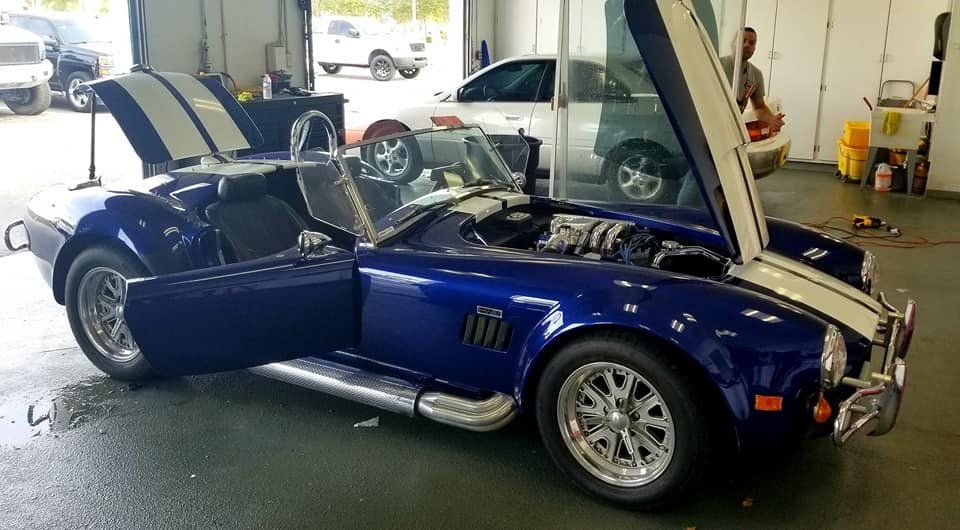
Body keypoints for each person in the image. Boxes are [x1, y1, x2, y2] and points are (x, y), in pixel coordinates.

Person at [720, 27, 785, 132]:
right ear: (732, 44)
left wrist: (771, 119)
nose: (747, 45)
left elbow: (759, 107)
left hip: (732, 129)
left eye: (751, 43)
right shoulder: (718, 65)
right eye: (743, 41)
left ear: (754, 48)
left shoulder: (756, 74)